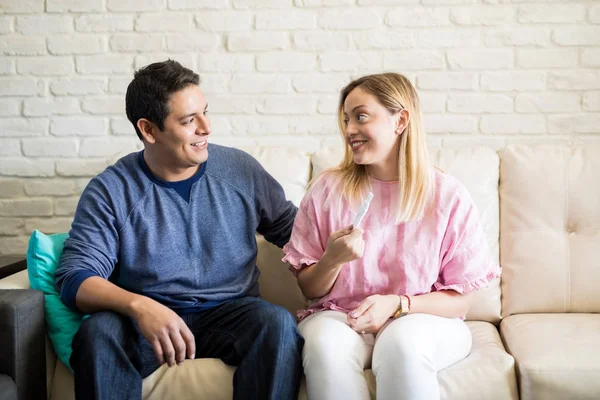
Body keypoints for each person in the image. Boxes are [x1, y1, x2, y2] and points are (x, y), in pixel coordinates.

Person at [55, 60, 304, 400]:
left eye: (204, 112)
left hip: (232, 312)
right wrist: (139, 307)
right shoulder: (112, 190)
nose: (206, 127)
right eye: (189, 120)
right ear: (149, 129)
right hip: (148, 321)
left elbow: (295, 231)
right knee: (98, 333)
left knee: (277, 325)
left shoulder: (239, 170)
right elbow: (75, 277)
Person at [282, 73, 500, 400]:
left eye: (361, 116)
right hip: (342, 317)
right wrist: (332, 259)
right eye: (345, 120)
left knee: (401, 343)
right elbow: (310, 289)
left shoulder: (447, 196)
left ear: (400, 121)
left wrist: (399, 305)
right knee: (324, 346)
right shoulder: (327, 191)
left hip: (423, 319)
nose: (349, 129)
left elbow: (462, 298)